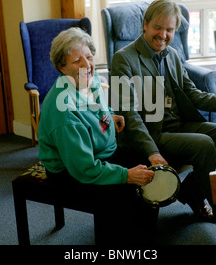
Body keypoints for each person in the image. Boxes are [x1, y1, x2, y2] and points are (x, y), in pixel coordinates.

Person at [110, 0, 216, 245]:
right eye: (158, 27)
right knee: (204, 145)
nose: (163, 35)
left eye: (169, 30)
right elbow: (127, 114)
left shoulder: (172, 55)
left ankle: (192, 191)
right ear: (145, 25)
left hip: (176, 124)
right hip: (151, 133)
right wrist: (152, 153)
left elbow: (192, 93)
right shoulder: (123, 59)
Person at [37, 27, 158, 245]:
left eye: (90, 57)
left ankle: (142, 237)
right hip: (70, 172)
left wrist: (109, 115)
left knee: (149, 171)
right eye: (76, 61)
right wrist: (126, 175)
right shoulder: (63, 111)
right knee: (125, 196)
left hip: (101, 153)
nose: (86, 65)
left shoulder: (89, 81)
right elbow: (83, 168)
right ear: (62, 68)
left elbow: (95, 108)